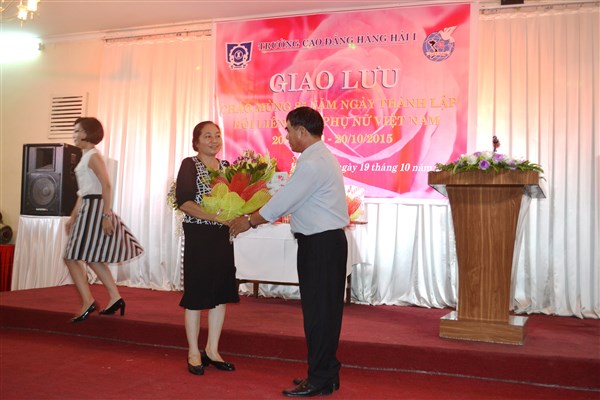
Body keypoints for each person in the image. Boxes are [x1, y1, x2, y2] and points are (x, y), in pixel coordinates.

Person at [229, 106, 349, 397]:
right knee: (326, 313)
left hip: (320, 246)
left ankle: (319, 378)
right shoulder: (320, 157)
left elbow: (283, 202)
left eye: (288, 130)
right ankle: (327, 373)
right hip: (326, 244)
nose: (286, 136)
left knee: (319, 314)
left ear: (302, 131)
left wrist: (249, 221)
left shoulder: (312, 163)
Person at [175, 121, 240, 376]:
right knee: (197, 293)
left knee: (220, 293)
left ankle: (212, 350)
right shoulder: (190, 165)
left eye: (217, 135)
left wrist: (238, 215)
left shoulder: (227, 168)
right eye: (208, 136)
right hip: (199, 236)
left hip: (222, 237)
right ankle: (193, 351)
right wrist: (215, 217)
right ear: (196, 142)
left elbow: (237, 199)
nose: (214, 140)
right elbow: (184, 202)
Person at [64, 117, 144, 323]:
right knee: (91, 257)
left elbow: (106, 185)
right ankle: (115, 297)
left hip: (94, 209)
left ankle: (88, 301)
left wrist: (106, 215)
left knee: (71, 257)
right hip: (88, 207)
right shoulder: (85, 156)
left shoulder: (92, 155)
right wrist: (73, 217)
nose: (74, 134)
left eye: (77, 130)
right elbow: (83, 191)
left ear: (87, 133)